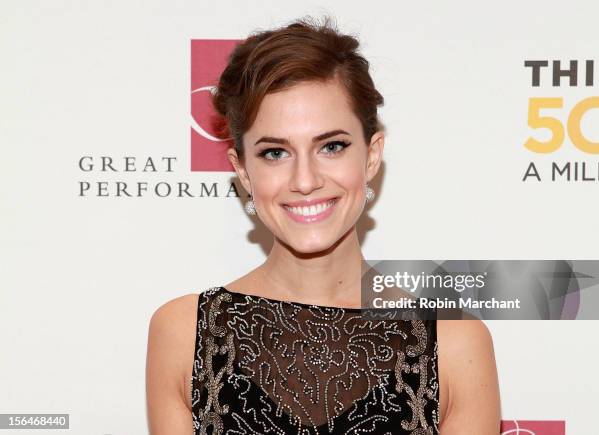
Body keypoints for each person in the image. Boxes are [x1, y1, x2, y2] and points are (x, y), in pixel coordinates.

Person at [146, 16, 500, 435]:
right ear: (242, 171)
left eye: (331, 146)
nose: (305, 180)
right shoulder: (185, 333)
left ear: (371, 156)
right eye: (275, 153)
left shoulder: (454, 343)